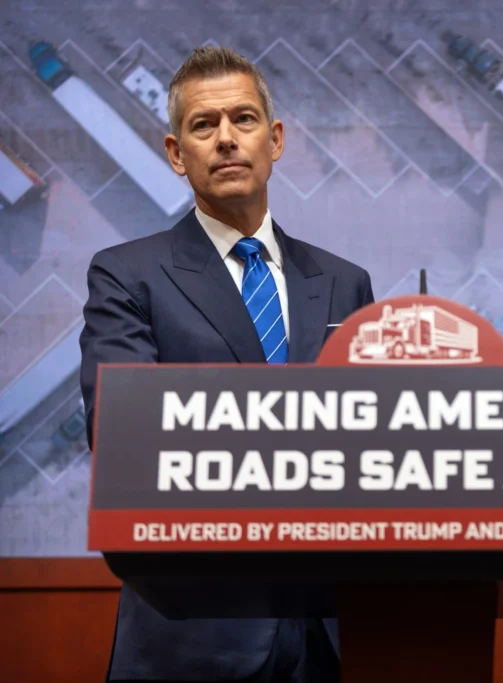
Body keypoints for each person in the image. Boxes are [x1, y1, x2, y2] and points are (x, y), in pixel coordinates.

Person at [79, 46, 374, 682]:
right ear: (175, 153)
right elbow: (126, 435)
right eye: (202, 125)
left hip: (328, 633)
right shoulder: (127, 275)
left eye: (242, 119)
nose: (225, 140)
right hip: (194, 634)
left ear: (275, 139)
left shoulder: (345, 283)